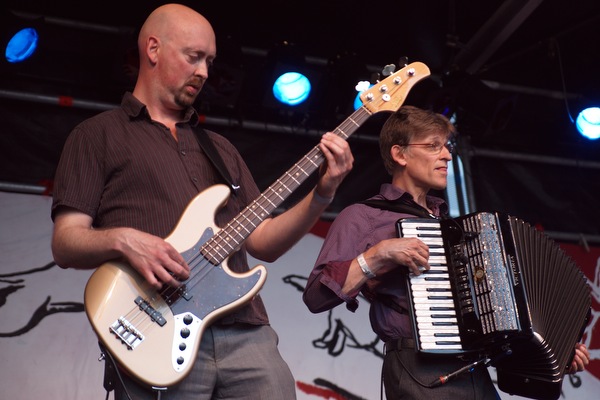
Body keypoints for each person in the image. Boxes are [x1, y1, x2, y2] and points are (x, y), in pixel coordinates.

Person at [50, 3, 353, 400]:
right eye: (194, 57)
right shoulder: (97, 135)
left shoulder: (220, 149)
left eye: (209, 61)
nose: (205, 72)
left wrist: (322, 193)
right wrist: (124, 240)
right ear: (153, 49)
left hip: (245, 331)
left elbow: (263, 241)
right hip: (155, 328)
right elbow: (65, 242)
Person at [302, 105, 590, 399]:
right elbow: (315, 297)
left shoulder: (451, 228)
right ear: (400, 154)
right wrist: (377, 255)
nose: (447, 156)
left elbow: (492, 321)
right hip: (419, 369)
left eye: (447, 147)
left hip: (474, 372)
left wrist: (552, 356)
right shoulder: (363, 217)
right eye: (433, 146)